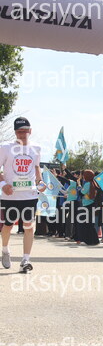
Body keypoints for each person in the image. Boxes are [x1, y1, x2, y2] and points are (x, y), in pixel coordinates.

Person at [0, 117, 46, 273]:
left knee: (29, 226)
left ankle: (25, 260)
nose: (22, 134)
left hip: (30, 195)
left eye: (25, 131)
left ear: (30, 131)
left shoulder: (36, 148)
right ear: (15, 132)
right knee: (8, 226)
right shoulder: (5, 148)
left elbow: (36, 167)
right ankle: (5, 249)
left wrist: (40, 182)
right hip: (10, 195)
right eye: (19, 132)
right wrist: (3, 185)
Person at [78, 170, 100, 246]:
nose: (83, 177)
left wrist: (79, 186)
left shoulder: (87, 184)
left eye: (84, 175)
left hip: (87, 205)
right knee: (89, 223)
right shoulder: (93, 183)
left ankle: (90, 240)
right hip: (91, 204)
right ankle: (94, 240)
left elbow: (82, 192)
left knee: (87, 224)